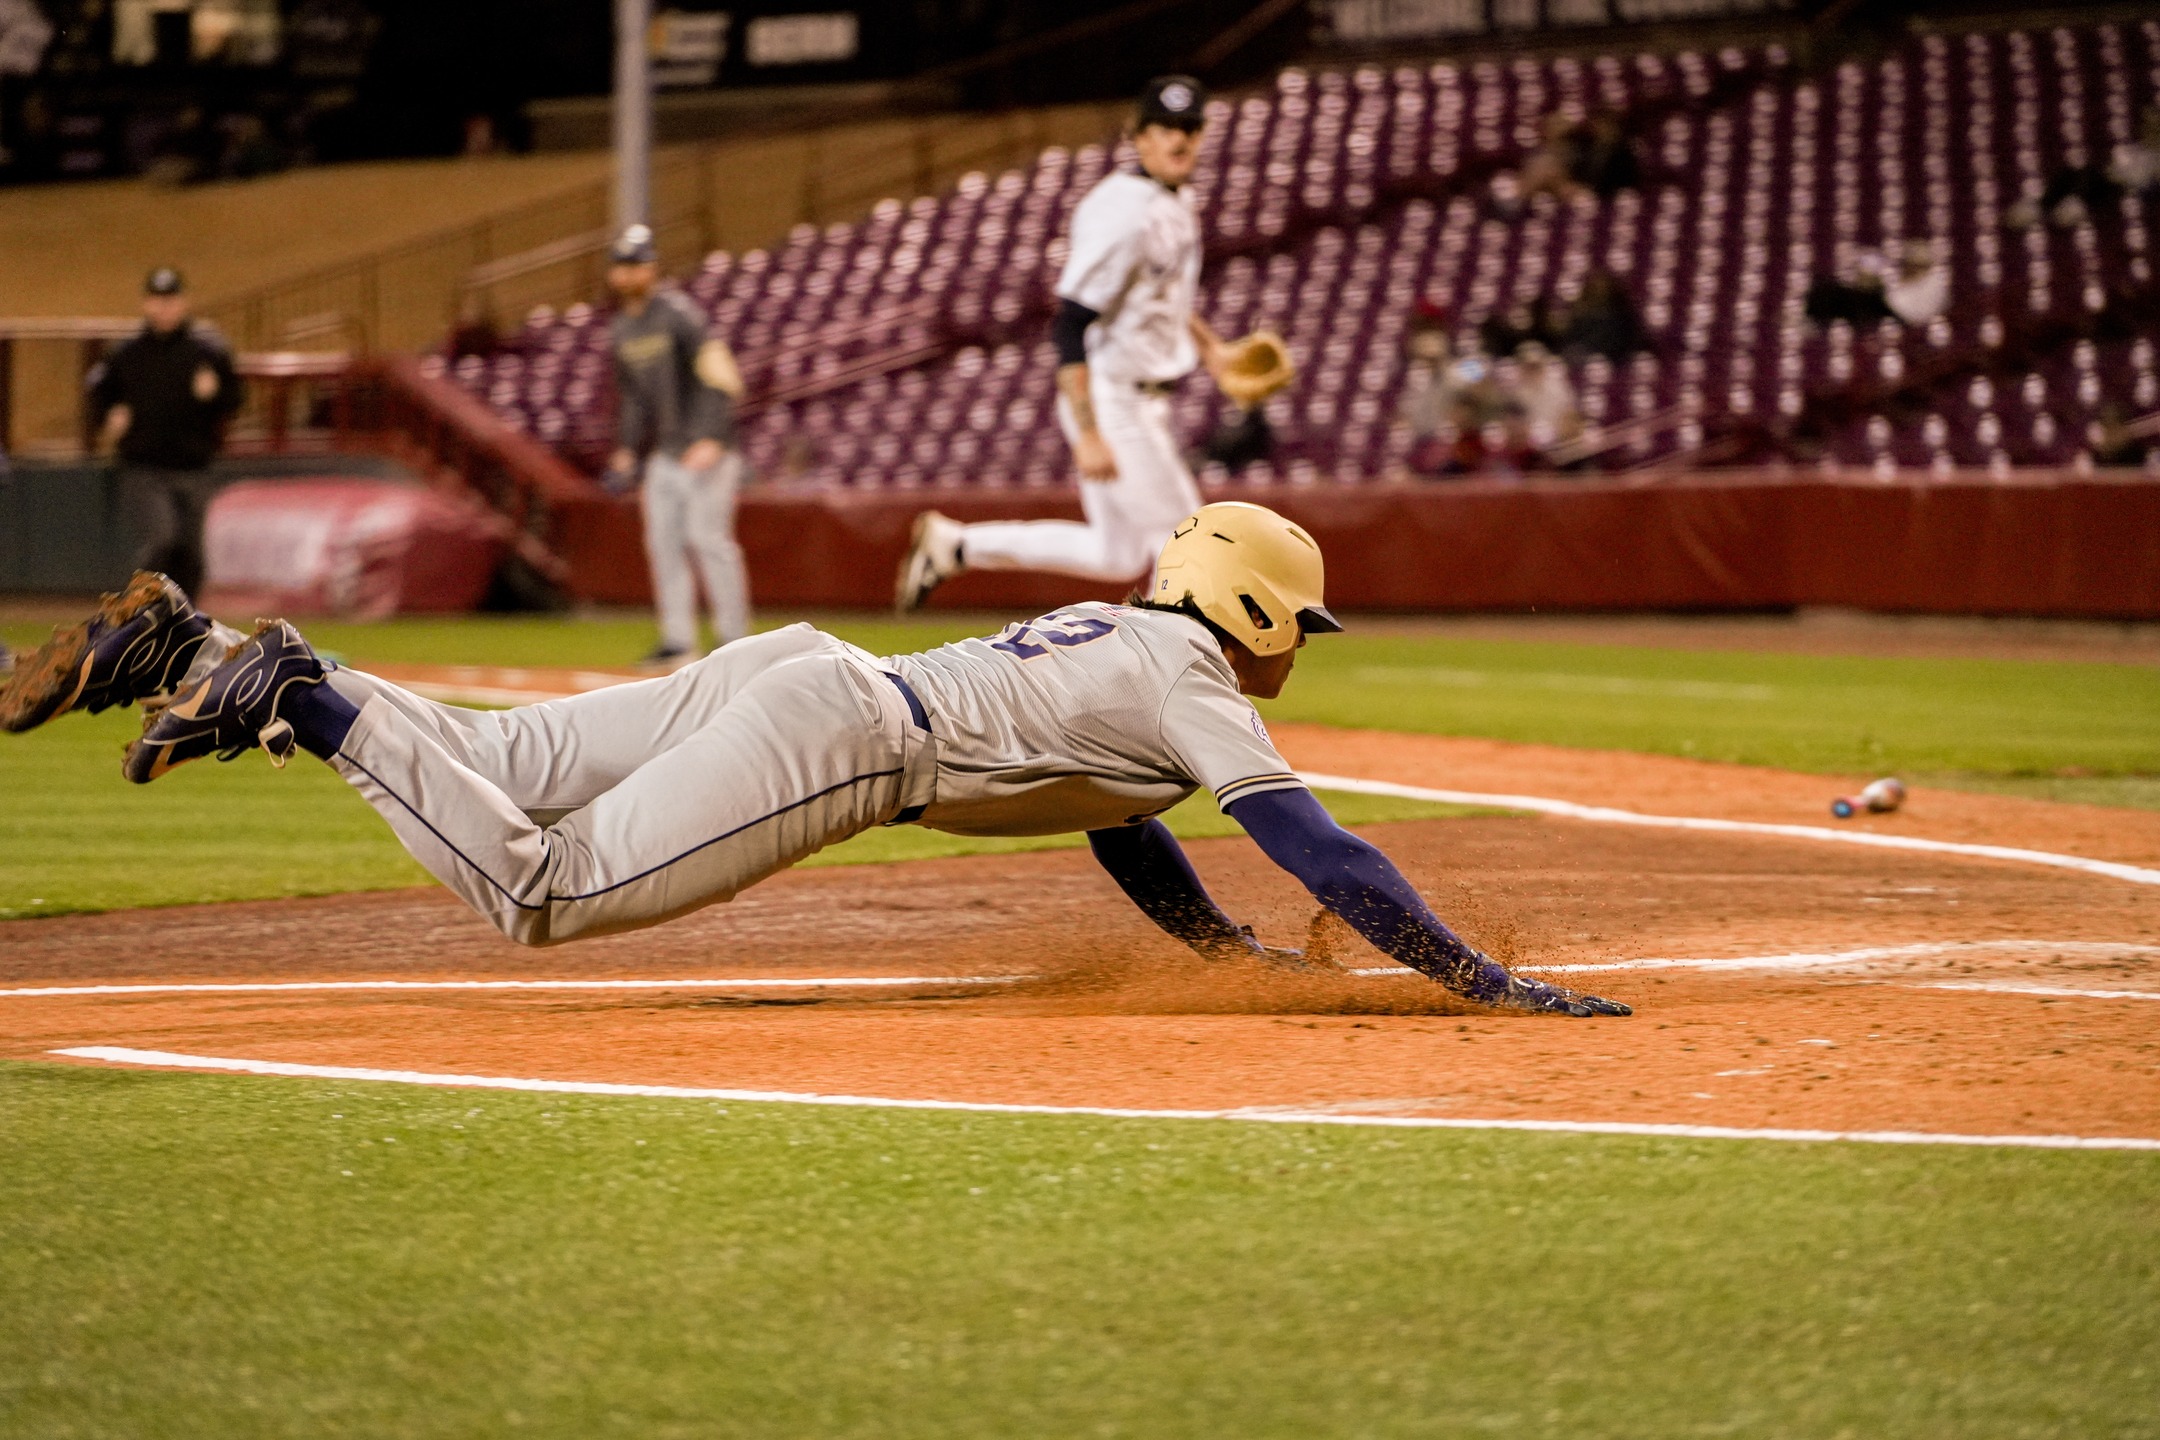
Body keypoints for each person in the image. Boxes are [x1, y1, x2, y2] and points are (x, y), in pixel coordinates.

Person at [0, 503, 1628, 1019]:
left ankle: (196, 650)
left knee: (494, 755)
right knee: (539, 893)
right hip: (847, 736)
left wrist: (1217, 952)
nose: (1295, 652)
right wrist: (1482, 981)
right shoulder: (1207, 678)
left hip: (804, 671)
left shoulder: (1116, 634)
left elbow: (1115, 815)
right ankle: (301, 691)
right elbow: (1328, 854)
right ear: (1257, 610)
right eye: (1299, 627)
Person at [896, 75, 1239, 610]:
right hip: (1113, 398)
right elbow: (1070, 322)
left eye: (1190, 128)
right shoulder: (1123, 210)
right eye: (1165, 127)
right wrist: (1087, 432)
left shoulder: (1173, 198)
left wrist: (1212, 349)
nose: (1179, 140)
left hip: (1133, 396)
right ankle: (1153, 677)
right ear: (1139, 136)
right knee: (1185, 544)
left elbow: (1158, 293)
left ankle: (958, 545)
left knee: (1116, 553)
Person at [604, 223, 752, 671]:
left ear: (653, 268)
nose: (630, 274)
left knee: (709, 540)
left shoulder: (680, 314)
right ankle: (677, 640)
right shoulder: (622, 329)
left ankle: (734, 641)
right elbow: (632, 398)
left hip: (705, 450)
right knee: (663, 544)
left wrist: (711, 436)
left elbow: (720, 374)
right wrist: (628, 449)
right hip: (665, 455)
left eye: (638, 265)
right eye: (623, 266)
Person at [86, 268, 243, 597]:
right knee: (162, 539)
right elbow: (99, 391)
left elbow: (235, 398)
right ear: (146, 303)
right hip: (145, 467)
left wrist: (214, 394)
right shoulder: (127, 352)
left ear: (184, 302)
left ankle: (188, 626)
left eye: (170, 300)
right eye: (157, 300)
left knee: (191, 554)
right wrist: (109, 416)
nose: (164, 308)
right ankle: (143, 614)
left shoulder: (207, 349)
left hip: (193, 467)